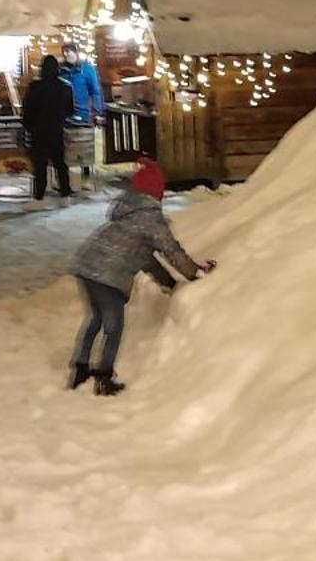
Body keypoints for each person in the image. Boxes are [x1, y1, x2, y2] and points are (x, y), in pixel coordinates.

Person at [66, 157, 214, 396]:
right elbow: (171, 250)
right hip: (107, 276)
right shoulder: (151, 219)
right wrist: (193, 273)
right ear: (156, 192)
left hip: (85, 265)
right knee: (113, 326)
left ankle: (80, 368)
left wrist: (169, 283)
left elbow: (145, 259)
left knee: (95, 318)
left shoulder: (129, 214)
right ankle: (104, 378)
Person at [21, 53, 73, 203]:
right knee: (60, 164)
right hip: (57, 130)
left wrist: (28, 126)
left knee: (40, 166)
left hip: (39, 132)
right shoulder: (65, 87)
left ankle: (39, 197)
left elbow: (28, 110)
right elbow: (69, 110)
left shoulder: (35, 87)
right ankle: (65, 195)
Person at [60, 44, 104, 181]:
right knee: (67, 143)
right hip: (65, 113)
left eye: (69, 52)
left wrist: (98, 112)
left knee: (84, 142)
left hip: (83, 112)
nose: (67, 55)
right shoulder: (61, 70)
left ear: (76, 52)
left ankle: (85, 171)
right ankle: (66, 173)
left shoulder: (86, 69)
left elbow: (95, 91)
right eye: (64, 53)